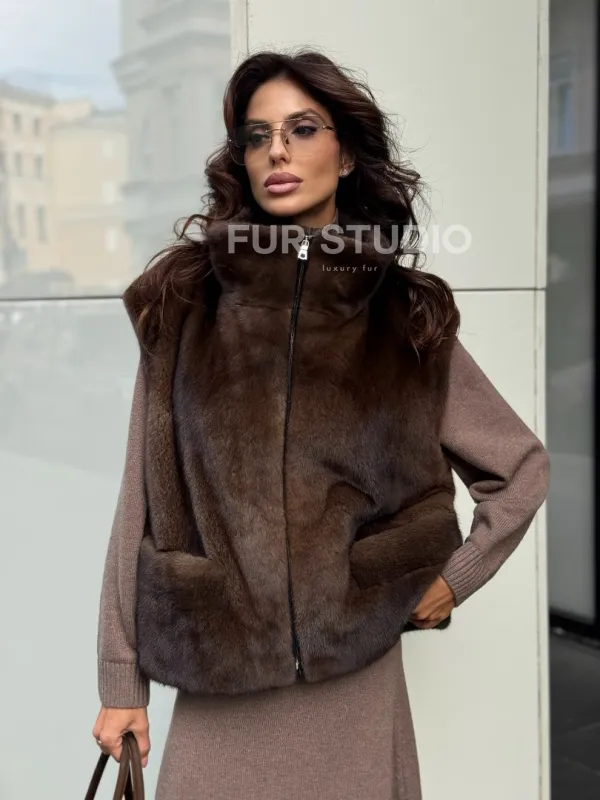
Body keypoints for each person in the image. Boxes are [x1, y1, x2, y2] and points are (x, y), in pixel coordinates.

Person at [92, 48, 551, 800]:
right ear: (242, 161)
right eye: (257, 135)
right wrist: (121, 680)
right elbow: (137, 497)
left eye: (302, 129)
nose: (276, 150)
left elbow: (520, 467)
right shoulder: (184, 302)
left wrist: (453, 580)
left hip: (355, 684)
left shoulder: (403, 314)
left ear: (345, 156)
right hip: (221, 677)